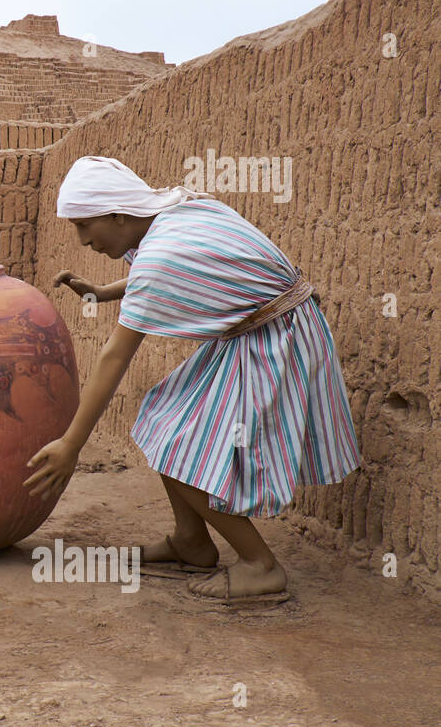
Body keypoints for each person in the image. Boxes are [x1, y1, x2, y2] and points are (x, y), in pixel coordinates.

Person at [24, 155, 361, 606]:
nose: (83, 240)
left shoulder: (163, 251)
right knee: (164, 417)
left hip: (277, 341)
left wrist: (71, 445)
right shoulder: (178, 209)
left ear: (118, 214)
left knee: (181, 446)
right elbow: (172, 267)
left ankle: (260, 565)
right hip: (261, 330)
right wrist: (106, 292)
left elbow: (115, 355)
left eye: (85, 226)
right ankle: (191, 542)